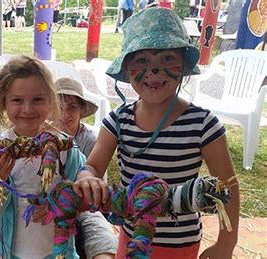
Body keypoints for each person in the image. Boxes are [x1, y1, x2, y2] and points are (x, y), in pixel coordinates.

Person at [73, 8, 239, 259]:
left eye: (167, 58)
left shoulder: (203, 124)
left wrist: (225, 244)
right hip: (130, 239)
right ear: (127, 68)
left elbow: (228, 187)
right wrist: (88, 177)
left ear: (183, 64)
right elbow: (93, 166)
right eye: (141, 60)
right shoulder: (118, 121)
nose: (154, 71)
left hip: (180, 246)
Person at [0, 55, 86, 258]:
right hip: (4, 253)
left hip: (57, 253)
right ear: (3, 103)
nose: (27, 109)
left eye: (37, 99)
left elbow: (84, 194)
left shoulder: (65, 148)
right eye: (17, 100)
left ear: (51, 101)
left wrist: (59, 205)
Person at [55, 77, 118, 259]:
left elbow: (96, 191)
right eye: (59, 107)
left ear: (82, 110)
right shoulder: (45, 137)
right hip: (49, 203)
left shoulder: (91, 140)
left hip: (85, 205)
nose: (65, 114)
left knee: (102, 236)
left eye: (72, 107)